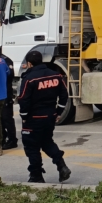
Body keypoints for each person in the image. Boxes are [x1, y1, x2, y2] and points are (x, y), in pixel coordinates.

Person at [17, 51, 71, 183]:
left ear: (29, 64)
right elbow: (64, 95)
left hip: (33, 118)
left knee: (31, 146)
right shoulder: (56, 75)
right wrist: (58, 112)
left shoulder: (29, 78)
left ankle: (36, 175)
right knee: (47, 142)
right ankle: (61, 164)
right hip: (50, 116)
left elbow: (23, 99)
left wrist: (24, 116)